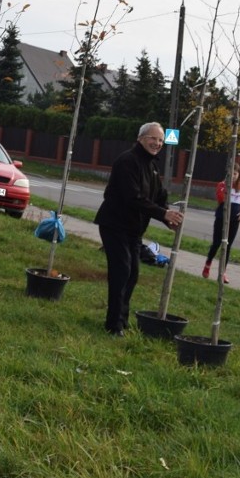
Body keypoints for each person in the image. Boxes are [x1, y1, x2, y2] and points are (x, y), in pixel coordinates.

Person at [94, 122, 184, 335]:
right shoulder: (127, 161)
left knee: (132, 273)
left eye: (161, 140)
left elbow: (159, 196)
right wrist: (163, 214)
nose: (157, 143)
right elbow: (133, 197)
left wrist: (167, 216)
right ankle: (113, 325)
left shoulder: (152, 165)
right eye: (153, 138)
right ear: (141, 138)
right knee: (121, 271)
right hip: (114, 225)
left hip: (134, 230)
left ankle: (122, 320)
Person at [202, 165, 240, 282]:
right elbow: (220, 198)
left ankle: (222, 272)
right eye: (231, 174)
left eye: (235, 174)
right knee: (216, 243)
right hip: (221, 218)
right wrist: (227, 187)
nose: (233, 176)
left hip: (234, 220)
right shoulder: (222, 185)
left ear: (239, 174)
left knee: (228, 245)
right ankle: (208, 264)